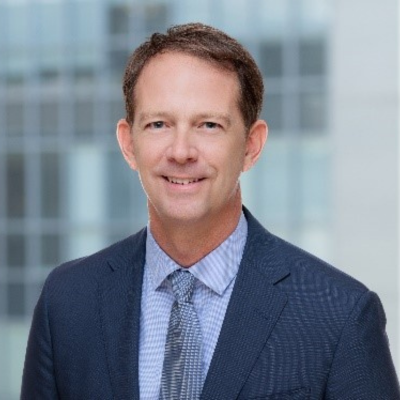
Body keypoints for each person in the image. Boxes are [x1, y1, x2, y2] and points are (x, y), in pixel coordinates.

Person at [21, 23, 399, 400]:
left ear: (252, 145)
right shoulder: (68, 302)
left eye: (208, 125)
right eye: (158, 124)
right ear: (128, 143)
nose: (181, 151)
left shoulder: (339, 314)